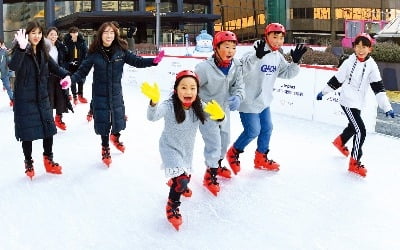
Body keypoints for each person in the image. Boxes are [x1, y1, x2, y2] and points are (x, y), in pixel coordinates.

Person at [63, 21, 164, 167]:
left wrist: (153, 61)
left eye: (111, 32)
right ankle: (105, 147)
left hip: (116, 91)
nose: (109, 35)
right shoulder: (94, 53)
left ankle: (115, 136)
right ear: (101, 34)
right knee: (104, 120)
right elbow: (82, 71)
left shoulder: (120, 50)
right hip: (100, 92)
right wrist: (70, 80)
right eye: (106, 32)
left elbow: (137, 61)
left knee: (118, 117)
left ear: (115, 34)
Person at [141, 70, 225, 230]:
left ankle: (175, 180)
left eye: (193, 88)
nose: (188, 92)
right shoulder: (169, 105)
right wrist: (153, 102)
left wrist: (220, 116)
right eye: (184, 87)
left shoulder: (199, 106)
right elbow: (152, 117)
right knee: (182, 180)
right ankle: (172, 206)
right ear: (176, 89)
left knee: (184, 175)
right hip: (169, 148)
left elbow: (218, 119)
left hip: (187, 149)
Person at [226, 23, 307, 174]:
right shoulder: (252, 53)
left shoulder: (277, 56)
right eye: (274, 37)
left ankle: (261, 158)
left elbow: (287, 73)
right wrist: (257, 57)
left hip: (264, 101)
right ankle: (234, 152)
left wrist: (295, 63)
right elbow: (240, 71)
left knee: (267, 128)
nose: (278, 41)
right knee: (252, 131)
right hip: (248, 101)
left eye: (281, 38)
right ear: (266, 37)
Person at [316, 33, 395, 177]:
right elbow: (337, 79)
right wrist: (324, 91)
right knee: (360, 131)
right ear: (353, 47)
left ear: (370, 49)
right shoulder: (349, 61)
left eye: (364, 47)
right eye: (357, 46)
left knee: (354, 127)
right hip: (347, 101)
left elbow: (378, 88)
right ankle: (354, 162)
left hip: (358, 102)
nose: (360, 50)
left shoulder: (372, 65)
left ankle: (340, 141)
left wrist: (387, 107)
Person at [9, 21, 70, 179]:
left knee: (48, 130)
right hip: (25, 99)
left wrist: (66, 75)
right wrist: (22, 49)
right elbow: (13, 66)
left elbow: (54, 67)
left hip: (42, 97)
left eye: (39, 33)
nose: (36, 36)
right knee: (27, 133)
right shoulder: (21, 50)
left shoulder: (43, 51)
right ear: (27, 35)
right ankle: (28, 162)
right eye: (33, 33)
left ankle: (48, 160)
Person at [194, 31, 245, 196]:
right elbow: (191, 87)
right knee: (214, 144)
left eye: (233, 47)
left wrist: (238, 96)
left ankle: (218, 164)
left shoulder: (236, 66)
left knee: (224, 141)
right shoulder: (204, 68)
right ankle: (210, 174)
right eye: (226, 47)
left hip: (224, 111)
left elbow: (239, 85)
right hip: (207, 112)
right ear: (216, 48)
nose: (230, 51)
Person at [46, 27, 73, 130]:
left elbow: (66, 60)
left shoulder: (61, 47)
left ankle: (58, 118)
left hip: (60, 76)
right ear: (47, 35)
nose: (53, 36)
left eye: (55, 34)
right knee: (49, 99)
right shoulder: (43, 47)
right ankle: (48, 121)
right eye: (51, 34)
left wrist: (64, 72)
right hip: (48, 76)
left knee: (61, 97)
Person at [64, 26, 88, 105]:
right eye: (72, 32)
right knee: (72, 79)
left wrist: (84, 62)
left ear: (78, 33)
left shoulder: (81, 41)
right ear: (70, 33)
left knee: (80, 80)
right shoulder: (67, 41)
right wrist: (71, 42)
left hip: (80, 62)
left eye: (75, 32)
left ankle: (80, 95)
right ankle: (74, 97)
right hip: (70, 63)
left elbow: (85, 52)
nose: (74, 34)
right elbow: (65, 52)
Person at [0, 38, 13, 106]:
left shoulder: (4, 51)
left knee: (8, 87)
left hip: (4, 73)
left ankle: (13, 100)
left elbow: (8, 61)